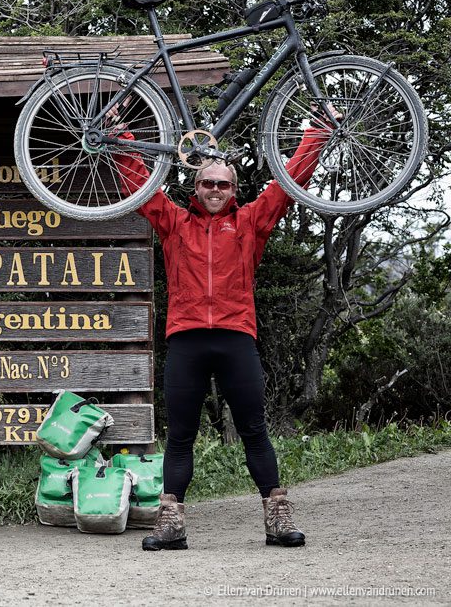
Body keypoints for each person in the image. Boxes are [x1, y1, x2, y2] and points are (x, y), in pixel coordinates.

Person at [112, 119, 334, 551]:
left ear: (235, 190)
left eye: (224, 184)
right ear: (195, 189)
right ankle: (171, 526)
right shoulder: (174, 221)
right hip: (187, 341)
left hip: (236, 339)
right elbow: (136, 182)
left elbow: (288, 185)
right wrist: (118, 137)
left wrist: (319, 135)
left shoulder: (252, 221)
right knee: (180, 436)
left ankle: (278, 520)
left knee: (254, 429)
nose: (215, 190)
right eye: (208, 183)